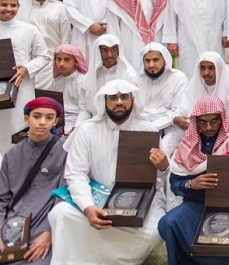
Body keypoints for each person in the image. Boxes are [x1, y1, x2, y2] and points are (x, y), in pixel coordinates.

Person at [48, 80, 169, 265]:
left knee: (153, 232)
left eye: (124, 97)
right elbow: (76, 174)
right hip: (97, 197)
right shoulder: (86, 130)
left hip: (139, 200)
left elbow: (158, 178)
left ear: (133, 100)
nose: (119, 102)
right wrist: (88, 207)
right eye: (113, 98)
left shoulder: (148, 130)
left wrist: (163, 166)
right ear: (104, 102)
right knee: (60, 213)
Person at [158, 95, 229, 265]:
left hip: (228, 208)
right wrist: (191, 184)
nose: (209, 127)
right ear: (196, 122)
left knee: (214, 255)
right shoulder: (187, 147)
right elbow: (175, 184)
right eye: (203, 122)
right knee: (167, 223)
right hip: (195, 205)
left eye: (214, 121)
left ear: (222, 119)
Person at [0, 97, 67, 265]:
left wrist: (50, 232)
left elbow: (64, 196)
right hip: (12, 227)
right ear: (26, 119)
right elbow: (2, 199)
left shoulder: (65, 151)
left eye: (49, 117)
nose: (42, 122)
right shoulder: (11, 155)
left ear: (55, 121)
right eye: (37, 116)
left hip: (44, 225)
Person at [0, 0, 50, 156]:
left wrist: (26, 68)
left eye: (13, 5)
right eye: (3, 5)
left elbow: (43, 56)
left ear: (18, 6)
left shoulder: (29, 30)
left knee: (17, 130)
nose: (8, 9)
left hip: (22, 89)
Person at [131, 43, 188, 156]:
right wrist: (147, 127)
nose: (151, 65)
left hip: (171, 127)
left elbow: (179, 112)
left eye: (156, 60)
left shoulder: (178, 78)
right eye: (147, 61)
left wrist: (155, 126)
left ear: (165, 60)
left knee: (161, 154)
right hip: (143, 127)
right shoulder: (135, 81)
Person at [17, 0, 71, 89]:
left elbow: (66, 37)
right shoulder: (22, 8)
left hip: (54, 64)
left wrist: (62, 61)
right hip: (30, 64)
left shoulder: (59, 7)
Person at [78, 34, 136, 122]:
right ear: (98, 52)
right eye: (104, 50)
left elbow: (134, 108)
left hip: (122, 123)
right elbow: (84, 109)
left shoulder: (129, 76)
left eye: (113, 50)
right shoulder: (88, 78)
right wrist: (78, 125)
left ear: (118, 51)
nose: (109, 55)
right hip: (95, 123)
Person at [176, 52, 229, 125]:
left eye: (211, 68)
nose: (206, 73)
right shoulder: (193, 86)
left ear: (219, 68)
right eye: (202, 68)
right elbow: (182, 111)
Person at [50, 44, 88, 132]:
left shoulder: (83, 80)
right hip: (58, 122)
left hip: (78, 122)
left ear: (76, 61)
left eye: (67, 59)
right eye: (59, 59)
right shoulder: (56, 81)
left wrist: (76, 127)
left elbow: (86, 110)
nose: (61, 64)